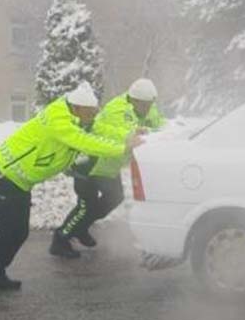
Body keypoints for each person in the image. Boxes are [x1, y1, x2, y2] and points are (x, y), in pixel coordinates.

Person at [0, 84, 141, 296]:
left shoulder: (79, 119)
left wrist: (129, 135)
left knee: (19, 233)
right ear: (77, 108)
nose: (94, 115)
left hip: (21, 184)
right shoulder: (58, 121)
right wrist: (123, 148)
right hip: (1, 178)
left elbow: (101, 129)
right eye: (91, 111)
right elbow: (85, 142)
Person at [51, 77, 166, 257]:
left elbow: (160, 124)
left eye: (149, 104)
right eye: (143, 104)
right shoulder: (117, 109)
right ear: (134, 100)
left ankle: (81, 227)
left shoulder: (149, 108)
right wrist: (135, 134)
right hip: (90, 162)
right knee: (85, 205)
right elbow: (122, 133)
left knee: (114, 198)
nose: (147, 108)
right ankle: (60, 239)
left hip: (108, 166)